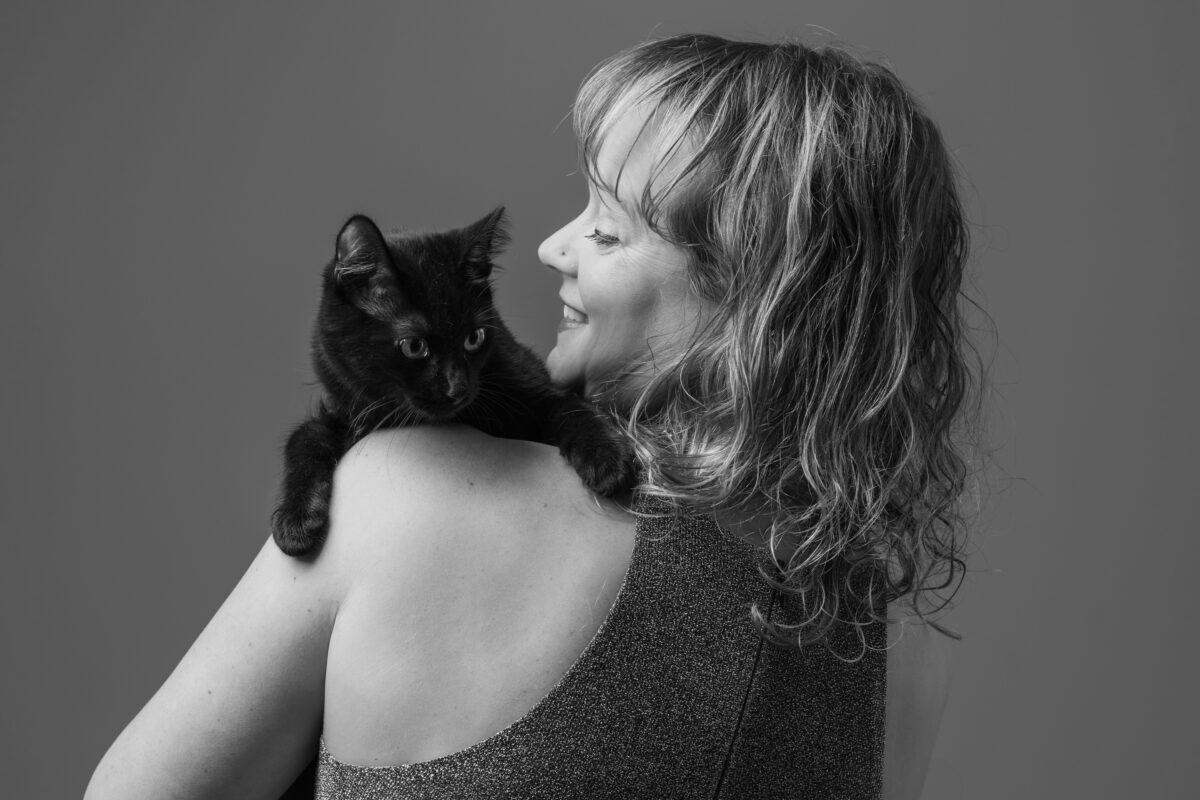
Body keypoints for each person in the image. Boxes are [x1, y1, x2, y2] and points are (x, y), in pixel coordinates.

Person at [85, 33, 975, 800]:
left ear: (754, 297)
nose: (552, 247)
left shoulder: (412, 495)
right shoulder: (894, 640)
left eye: (608, 229)